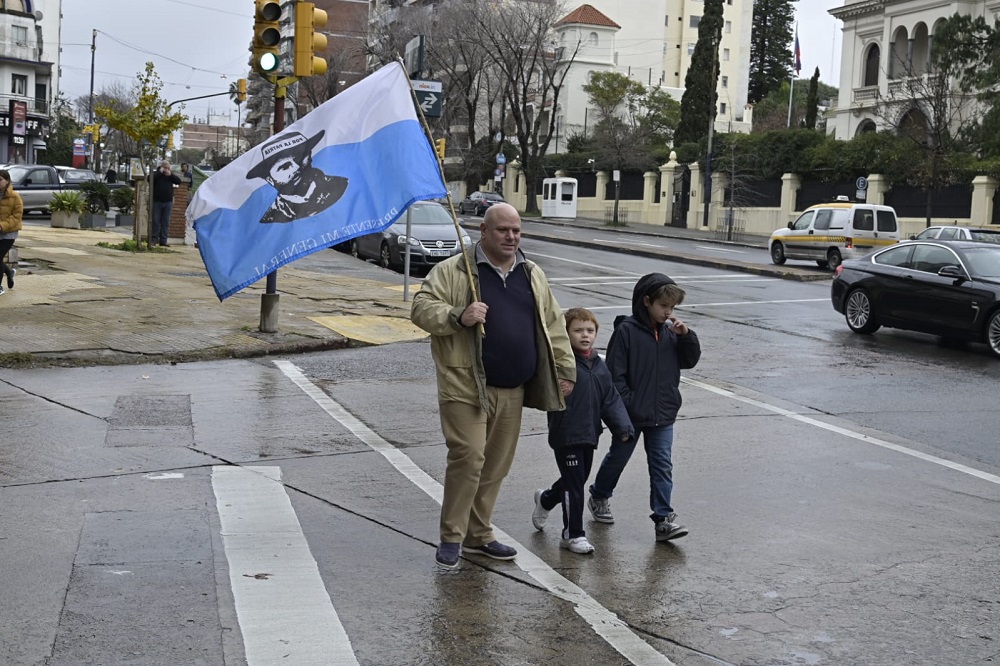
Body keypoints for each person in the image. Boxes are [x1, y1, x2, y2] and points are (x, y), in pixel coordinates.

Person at [411, 202, 577, 569]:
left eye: (516, 230)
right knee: (468, 457)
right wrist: (458, 315)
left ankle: (479, 535)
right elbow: (421, 308)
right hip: (466, 383)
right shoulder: (455, 271)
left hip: (513, 388)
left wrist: (565, 370)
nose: (511, 237)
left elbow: (553, 324)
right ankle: (451, 537)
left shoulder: (531, 273)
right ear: (484, 232)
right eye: (503, 230)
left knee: (495, 466)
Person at [588, 273, 701, 542]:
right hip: (630, 414)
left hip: (663, 414)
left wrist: (686, 336)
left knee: (662, 465)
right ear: (646, 302)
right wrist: (628, 407)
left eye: (672, 307)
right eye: (663, 306)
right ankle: (599, 495)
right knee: (618, 458)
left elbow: (689, 360)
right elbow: (615, 377)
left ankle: (663, 519)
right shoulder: (626, 332)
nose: (668, 312)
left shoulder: (671, 333)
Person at [532, 307, 633, 555]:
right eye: (578, 330)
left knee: (575, 480)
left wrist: (623, 428)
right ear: (566, 334)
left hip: (590, 433)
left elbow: (610, 399)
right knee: (574, 484)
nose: (585, 335)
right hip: (566, 433)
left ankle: (545, 499)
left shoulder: (599, 365)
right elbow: (540, 383)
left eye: (590, 330)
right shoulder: (560, 363)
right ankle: (573, 534)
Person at [245, 130, 348, 223]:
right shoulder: (271, 220)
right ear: (270, 179)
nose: (296, 168)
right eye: (285, 167)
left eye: (301, 158)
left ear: (310, 156)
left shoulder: (344, 187)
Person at [0, 169, 23, 296]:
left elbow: (16, 216)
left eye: (0, 180)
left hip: (9, 233)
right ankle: (9, 273)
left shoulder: (15, 197)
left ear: (7, 181)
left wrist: (2, 226)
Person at [151, 161, 181, 247]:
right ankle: (154, 239)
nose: (166, 169)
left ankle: (163, 240)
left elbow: (178, 181)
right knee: (156, 221)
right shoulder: (156, 174)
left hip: (168, 202)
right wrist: (160, 173)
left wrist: (170, 175)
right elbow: (150, 179)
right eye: (165, 167)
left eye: (168, 168)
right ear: (161, 167)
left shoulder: (170, 176)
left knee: (165, 222)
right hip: (157, 201)